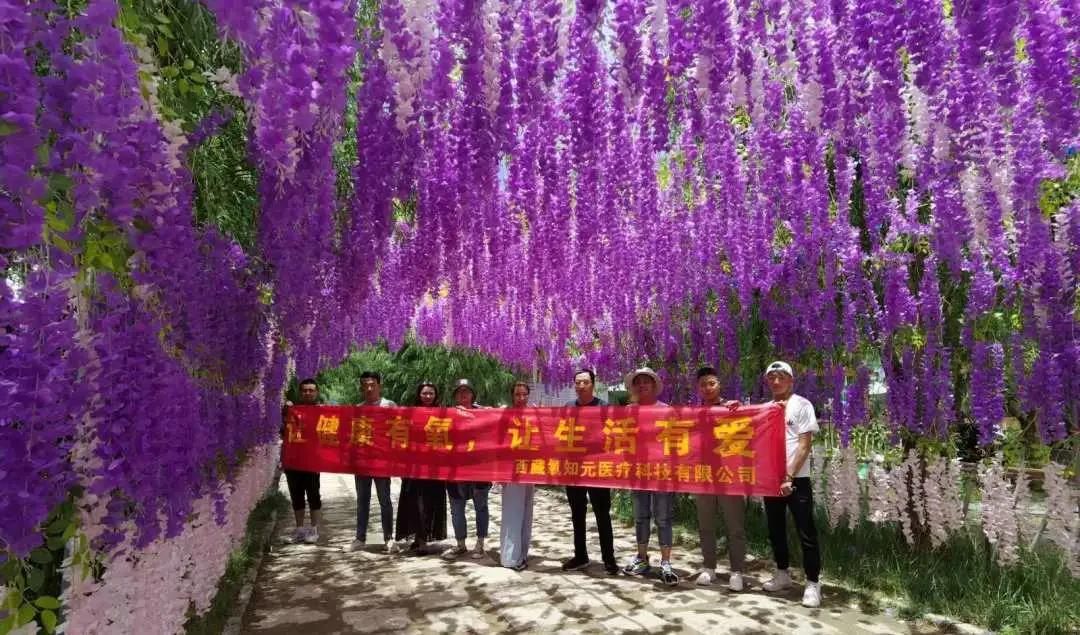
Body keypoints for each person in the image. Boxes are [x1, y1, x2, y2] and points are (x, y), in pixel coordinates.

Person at [760, 361, 823, 608]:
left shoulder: (802, 404)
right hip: (771, 480)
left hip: (797, 480)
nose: (776, 382)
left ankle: (813, 583)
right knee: (775, 529)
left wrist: (789, 476)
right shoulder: (766, 408)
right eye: (772, 378)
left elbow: (804, 445)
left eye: (781, 377)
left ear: (791, 380)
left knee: (806, 531)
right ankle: (782, 573)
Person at [621, 366, 679, 585]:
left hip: (662, 472)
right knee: (640, 517)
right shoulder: (629, 411)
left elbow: (676, 442)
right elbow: (622, 440)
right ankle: (642, 557)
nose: (642, 385)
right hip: (638, 472)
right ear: (634, 387)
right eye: (638, 382)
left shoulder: (666, 410)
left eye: (646, 381)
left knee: (663, 518)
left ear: (654, 385)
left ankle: (666, 562)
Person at [693, 366, 747, 590]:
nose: (707, 388)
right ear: (698, 388)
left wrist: (739, 410)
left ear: (719, 385)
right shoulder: (694, 413)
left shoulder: (732, 408)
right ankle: (709, 568)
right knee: (706, 525)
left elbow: (749, 427)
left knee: (735, 525)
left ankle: (737, 571)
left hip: (729, 475)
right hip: (703, 475)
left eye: (711, 383)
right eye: (703, 385)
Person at [560, 369, 619, 575]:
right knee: (577, 514)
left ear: (593, 384)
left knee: (602, 514)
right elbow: (559, 433)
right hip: (574, 469)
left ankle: (609, 559)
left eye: (585, 382)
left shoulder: (604, 407)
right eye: (577, 382)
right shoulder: (568, 407)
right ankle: (580, 556)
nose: (581, 386)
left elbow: (613, 434)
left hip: (597, 469)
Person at [394, 381, 448, 554]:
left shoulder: (442, 414)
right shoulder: (410, 414)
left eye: (431, 393)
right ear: (419, 395)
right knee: (414, 504)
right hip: (414, 468)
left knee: (429, 504)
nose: (428, 396)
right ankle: (418, 538)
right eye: (425, 393)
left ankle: (423, 540)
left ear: (436, 395)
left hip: (434, 469)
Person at [442, 379, 492, 560]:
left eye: (467, 391)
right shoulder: (448, 415)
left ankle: (480, 543)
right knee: (456, 509)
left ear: (472, 394)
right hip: (456, 469)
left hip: (479, 469)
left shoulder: (484, 413)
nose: (463, 394)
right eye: (459, 391)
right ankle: (460, 544)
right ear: (455, 395)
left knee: (481, 507)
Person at [351, 371, 398, 554]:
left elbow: (399, 431)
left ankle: (389, 538)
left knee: (385, 500)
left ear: (379, 385)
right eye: (365, 385)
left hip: (382, 462)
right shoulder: (358, 408)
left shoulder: (389, 406)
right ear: (361, 387)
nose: (369, 388)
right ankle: (359, 538)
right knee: (362, 501)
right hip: (363, 463)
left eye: (372, 384)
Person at [499, 381, 535, 570]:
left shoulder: (534, 414)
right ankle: (510, 558)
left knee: (526, 514)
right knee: (513, 514)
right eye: (517, 394)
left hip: (530, 469)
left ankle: (522, 554)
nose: (521, 398)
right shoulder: (505, 414)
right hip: (511, 471)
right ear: (512, 396)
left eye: (524, 394)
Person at [282, 378, 322, 544]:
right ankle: (299, 530)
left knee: (313, 494)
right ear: (300, 393)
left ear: (317, 392)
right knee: (296, 494)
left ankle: (313, 530)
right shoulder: (292, 410)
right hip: (293, 460)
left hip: (312, 461)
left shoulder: (322, 411)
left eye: (311, 390)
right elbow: (282, 430)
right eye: (305, 390)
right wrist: (285, 411)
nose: (308, 393)